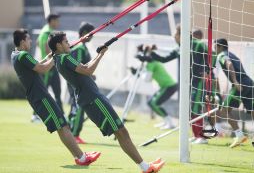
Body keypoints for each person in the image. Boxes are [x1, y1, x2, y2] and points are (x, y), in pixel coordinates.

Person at [48, 31, 165, 173]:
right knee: (121, 132)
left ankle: (145, 166)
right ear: (59, 46)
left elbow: (84, 68)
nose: (69, 43)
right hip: (93, 99)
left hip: (92, 97)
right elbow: (88, 69)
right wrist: (101, 54)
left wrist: (94, 50)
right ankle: (145, 168)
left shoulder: (58, 58)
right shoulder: (65, 58)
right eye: (66, 42)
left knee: (121, 131)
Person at [11, 29, 101, 166]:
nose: (30, 42)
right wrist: (56, 56)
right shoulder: (23, 55)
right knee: (62, 126)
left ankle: (81, 156)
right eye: (28, 39)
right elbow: (42, 69)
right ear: (22, 41)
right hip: (40, 96)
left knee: (62, 125)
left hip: (39, 96)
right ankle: (81, 158)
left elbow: (37, 65)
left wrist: (49, 56)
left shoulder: (15, 54)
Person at [214, 38, 254, 148]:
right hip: (249, 83)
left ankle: (239, 135)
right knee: (252, 111)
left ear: (220, 46)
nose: (214, 49)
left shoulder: (222, 55)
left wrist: (235, 81)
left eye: (215, 46)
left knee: (224, 109)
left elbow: (229, 64)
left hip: (239, 84)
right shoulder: (232, 54)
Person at [136, 45, 178, 130]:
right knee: (151, 102)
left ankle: (170, 123)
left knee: (154, 103)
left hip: (169, 86)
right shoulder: (151, 61)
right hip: (165, 86)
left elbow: (147, 79)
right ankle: (166, 121)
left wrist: (139, 74)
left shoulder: (151, 63)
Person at [32, 13, 63, 122]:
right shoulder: (47, 32)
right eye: (57, 20)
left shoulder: (44, 30)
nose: (58, 23)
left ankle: (61, 115)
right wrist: (57, 53)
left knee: (57, 91)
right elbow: (46, 48)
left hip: (51, 66)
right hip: (47, 67)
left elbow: (37, 43)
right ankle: (35, 115)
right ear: (52, 21)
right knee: (43, 92)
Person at [68, 22, 95, 144]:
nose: (92, 36)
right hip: (77, 83)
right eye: (91, 34)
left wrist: (89, 74)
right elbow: (77, 66)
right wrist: (87, 74)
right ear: (85, 33)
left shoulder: (80, 46)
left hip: (76, 81)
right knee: (79, 107)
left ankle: (71, 133)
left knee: (75, 106)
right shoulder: (79, 48)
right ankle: (74, 135)